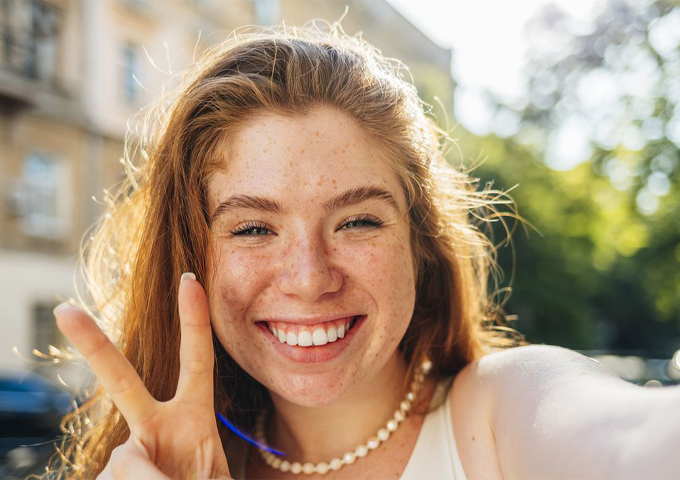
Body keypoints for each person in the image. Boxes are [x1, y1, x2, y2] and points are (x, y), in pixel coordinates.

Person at [46, 23, 679, 480]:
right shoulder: (162, 468)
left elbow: (632, 441)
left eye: (356, 221)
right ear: (191, 257)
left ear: (420, 242)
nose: (308, 278)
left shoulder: (504, 412)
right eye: (253, 229)